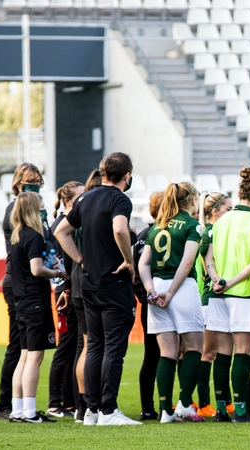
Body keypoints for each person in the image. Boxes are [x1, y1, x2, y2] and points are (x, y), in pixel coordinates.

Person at [54, 152, 142, 426]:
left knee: (94, 347)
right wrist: (128, 261)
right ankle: (108, 410)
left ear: (103, 172)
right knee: (114, 348)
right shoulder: (119, 199)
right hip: (113, 282)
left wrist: (81, 260)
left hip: (89, 284)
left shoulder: (85, 198)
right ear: (127, 175)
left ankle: (91, 410)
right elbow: (119, 229)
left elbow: (61, 232)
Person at [138, 182, 205, 423]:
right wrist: (171, 292)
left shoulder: (158, 226)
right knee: (195, 347)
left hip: (157, 287)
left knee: (166, 352)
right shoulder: (192, 225)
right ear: (193, 199)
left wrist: (152, 289)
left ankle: (165, 410)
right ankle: (185, 404)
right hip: (181, 287)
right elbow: (187, 263)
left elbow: (143, 263)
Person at [204, 167, 250, 422]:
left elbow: (209, 258)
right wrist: (230, 282)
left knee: (222, 354)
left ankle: (220, 410)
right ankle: (239, 410)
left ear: (239, 193)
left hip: (218, 294)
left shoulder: (221, 221)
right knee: (242, 352)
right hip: (243, 293)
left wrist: (217, 279)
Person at [9, 192, 68, 423]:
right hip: (35, 301)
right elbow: (36, 269)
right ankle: (30, 412)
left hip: (22, 301)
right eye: (41, 207)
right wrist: (58, 273)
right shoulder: (33, 236)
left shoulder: (17, 235)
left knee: (24, 356)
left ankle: (18, 409)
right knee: (35, 357)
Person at [0, 163, 45, 421]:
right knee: (21, 348)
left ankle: (16, 406)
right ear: (18, 183)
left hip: (19, 281)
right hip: (20, 283)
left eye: (38, 180)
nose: (35, 184)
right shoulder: (17, 213)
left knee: (22, 348)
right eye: (30, 181)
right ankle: (8, 405)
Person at [46, 181, 84, 418]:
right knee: (67, 347)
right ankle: (55, 401)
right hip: (66, 292)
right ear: (69, 200)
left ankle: (69, 401)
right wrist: (65, 290)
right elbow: (60, 263)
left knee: (73, 347)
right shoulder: (62, 225)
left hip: (68, 289)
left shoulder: (66, 222)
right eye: (80, 196)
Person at [194, 192, 233, 417]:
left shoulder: (220, 231)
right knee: (208, 352)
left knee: (217, 353)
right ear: (215, 212)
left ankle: (221, 401)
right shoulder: (211, 232)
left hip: (220, 295)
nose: (232, 213)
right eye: (228, 209)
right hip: (212, 296)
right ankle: (204, 402)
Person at [70, 169, 102, 422]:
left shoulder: (82, 209)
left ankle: (84, 406)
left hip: (80, 281)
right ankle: (88, 405)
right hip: (91, 281)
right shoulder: (98, 210)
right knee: (92, 346)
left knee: (87, 345)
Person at [132, 191, 164, 421]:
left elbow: (135, 276)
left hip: (148, 304)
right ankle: (167, 406)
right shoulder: (163, 235)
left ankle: (148, 408)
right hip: (163, 301)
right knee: (168, 355)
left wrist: (143, 296)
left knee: (151, 356)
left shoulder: (142, 235)